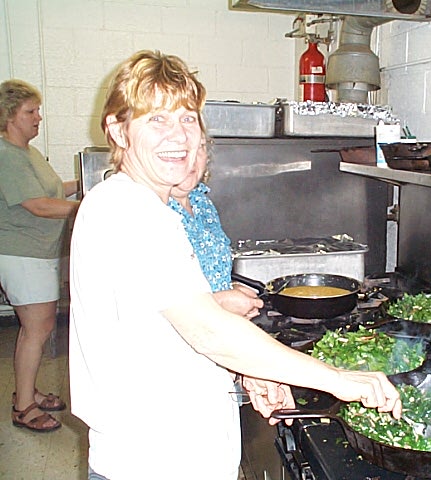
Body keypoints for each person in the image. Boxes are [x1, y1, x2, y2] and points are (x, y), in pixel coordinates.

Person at [68, 50, 402, 480]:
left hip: (182, 447)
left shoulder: (152, 208)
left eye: (188, 118)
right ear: (118, 130)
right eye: (157, 119)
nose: (179, 135)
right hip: (152, 459)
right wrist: (340, 379)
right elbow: (207, 329)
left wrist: (247, 370)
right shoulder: (128, 211)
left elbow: (164, 330)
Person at [0, 79, 80, 432]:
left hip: (36, 253)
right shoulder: (6, 155)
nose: (38, 117)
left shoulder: (26, 153)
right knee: (36, 328)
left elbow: (52, 191)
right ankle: (24, 407)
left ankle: (26, 391)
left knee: (37, 327)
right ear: (9, 116)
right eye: (30, 111)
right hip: (23, 254)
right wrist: (88, 208)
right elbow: (38, 205)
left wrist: (86, 187)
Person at [168, 138, 262, 319]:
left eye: (199, 147)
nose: (191, 159)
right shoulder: (148, 209)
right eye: (179, 151)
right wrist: (218, 302)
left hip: (212, 328)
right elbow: (144, 304)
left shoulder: (201, 202)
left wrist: (227, 287)